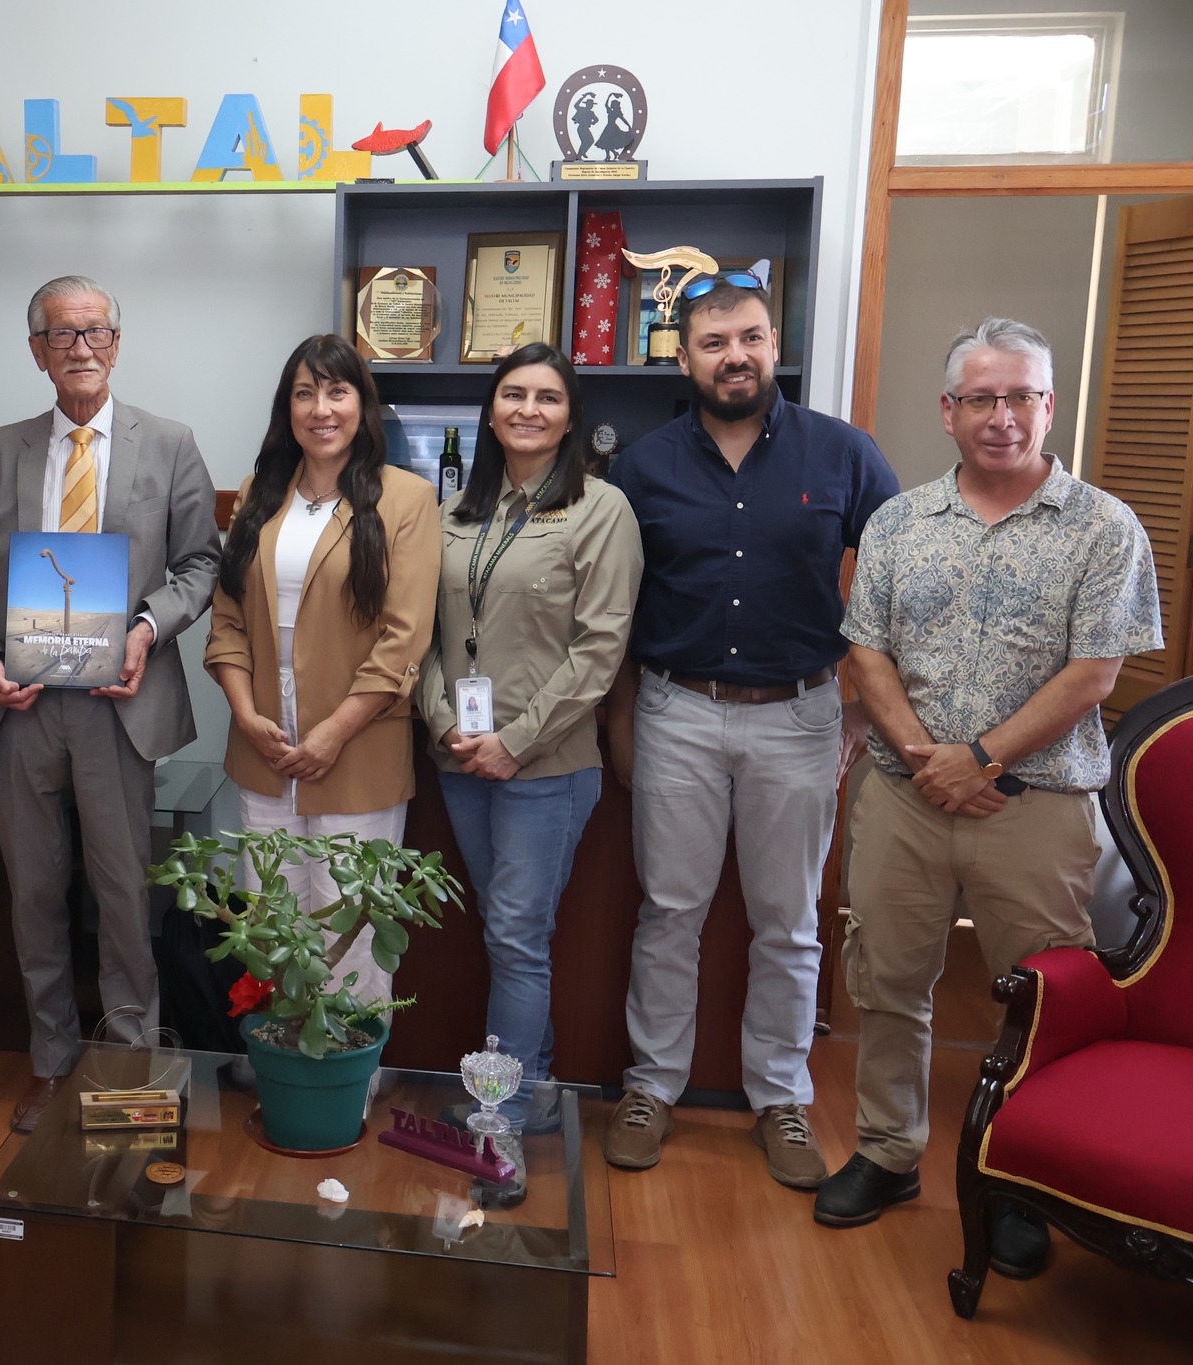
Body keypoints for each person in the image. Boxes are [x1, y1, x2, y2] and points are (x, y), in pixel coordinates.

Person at [817, 318, 1160, 1268]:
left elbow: (1095, 673)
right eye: (981, 398)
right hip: (901, 795)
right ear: (949, 411)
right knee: (886, 981)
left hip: (1035, 808)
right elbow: (866, 647)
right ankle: (889, 1152)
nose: (1002, 416)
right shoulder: (898, 523)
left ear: (1049, 406)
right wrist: (930, 755)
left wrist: (983, 760)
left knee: (1039, 997)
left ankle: (1020, 1177)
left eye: (1021, 397)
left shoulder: (1103, 526)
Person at [602, 275, 900, 1189]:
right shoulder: (642, 467)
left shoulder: (846, 455)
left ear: (776, 345)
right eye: (713, 341)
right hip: (676, 710)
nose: (735, 355)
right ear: (682, 355)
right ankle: (652, 1086)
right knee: (670, 913)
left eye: (751, 337)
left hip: (800, 715)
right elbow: (614, 607)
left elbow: (898, 591)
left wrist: (859, 705)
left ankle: (781, 1097)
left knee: (789, 920)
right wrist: (620, 717)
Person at [0, 275, 221, 1134]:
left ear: (117, 343)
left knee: (127, 892)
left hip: (117, 704)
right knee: (36, 892)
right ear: (37, 352)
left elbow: (201, 565)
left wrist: (145, 628)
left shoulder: (169, 444)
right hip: (18, 708)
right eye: (62, 335)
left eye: (95, 332)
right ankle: (53, 1063)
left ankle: (130, 1062)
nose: (81, 348)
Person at [418, 344, 642, 1136]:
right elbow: (424, 638)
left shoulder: (600, 509)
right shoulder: (451, 513)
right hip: (459, 758)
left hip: (545, 767)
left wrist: (514, 740)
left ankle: (501, 1107)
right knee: (505, 928)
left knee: (516, 933)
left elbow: (601, 647)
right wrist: (442, 719)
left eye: (548, 397)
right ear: (489, 411)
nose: (528, 409)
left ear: (571, 417)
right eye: (513, 394)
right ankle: (534, 1080)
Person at [206, 334, 438, 1010]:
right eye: (304, 393)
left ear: (362, 405)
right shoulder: (258, 493)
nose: (321, 408)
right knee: (273, 921)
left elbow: (404, 638)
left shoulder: (406, 499)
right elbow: (227, 621)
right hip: (265, 747)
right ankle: (281, 1062)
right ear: (288, 408)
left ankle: (342, 1087)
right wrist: (247, 715)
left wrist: (334, 731)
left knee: (350, 927)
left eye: (337, 391)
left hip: (358, 750)